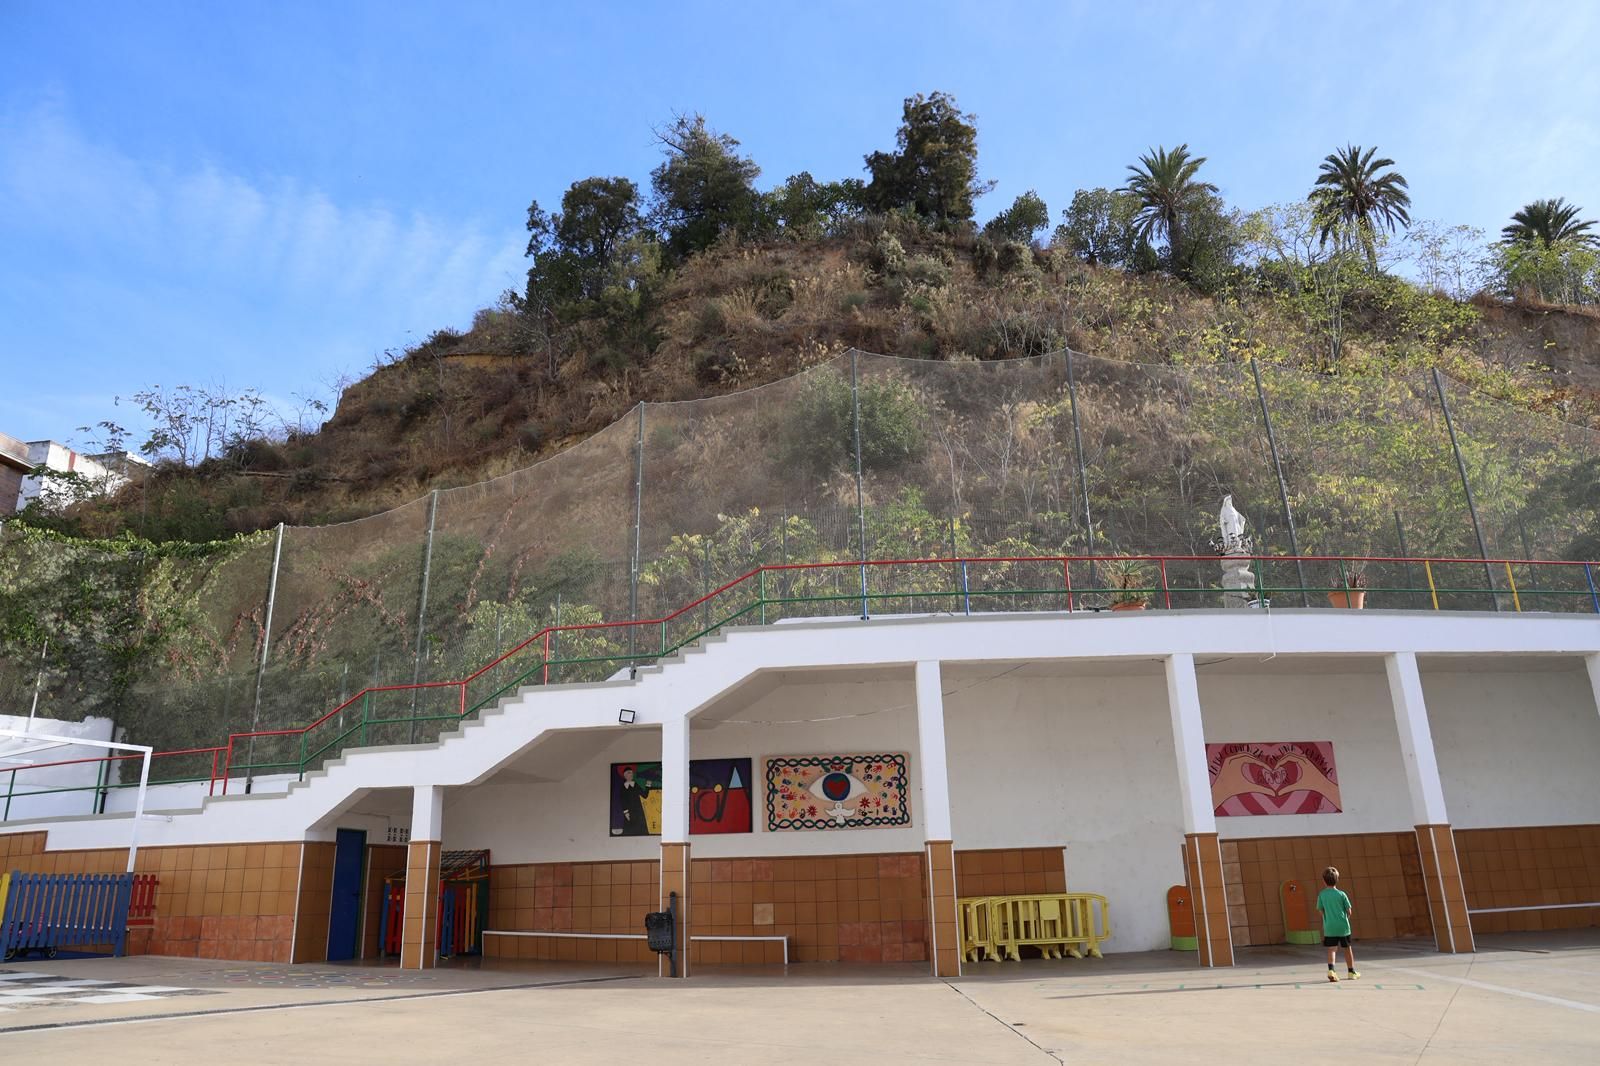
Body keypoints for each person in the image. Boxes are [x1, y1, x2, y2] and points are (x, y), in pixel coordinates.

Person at [1317, 866, 1359, 981]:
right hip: (1343, 926)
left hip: (1329, 927)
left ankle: (1331, 970)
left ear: (1324, 881)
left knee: (1332, 949)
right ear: (1337, 879)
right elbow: (1349, 911)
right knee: (1347, 948)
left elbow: (1320, 910)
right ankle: (1351, 972)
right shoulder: (1342, 894)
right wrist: (1344, 918)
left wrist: (1328, 918)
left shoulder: (1322, 895)